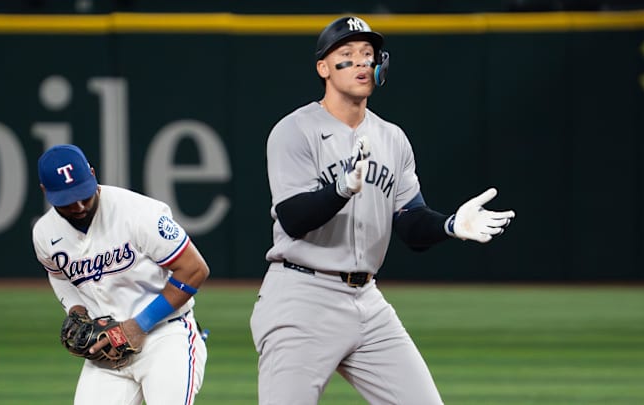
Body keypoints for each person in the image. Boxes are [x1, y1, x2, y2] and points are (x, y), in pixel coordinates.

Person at [249, 16, 516, 405]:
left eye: (368, 54)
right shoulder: (295, 130)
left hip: (368, 301)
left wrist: (450, 225)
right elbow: (293, 219)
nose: (361, 62)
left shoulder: (392, 138)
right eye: (348, 54)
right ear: (323, 67)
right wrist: (339, 190)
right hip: (303, 297)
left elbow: (410, 223)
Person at [32, 144, 209, 405]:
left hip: (165, 336)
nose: (79, 205)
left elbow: (194, 269)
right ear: (45, 191)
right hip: (108, 348)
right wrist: (76, 310)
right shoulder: (45, 233)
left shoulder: (138, 213)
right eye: (68, 201)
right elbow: (59, 276)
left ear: (93, 174)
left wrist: (138, 326)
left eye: (84, 194)